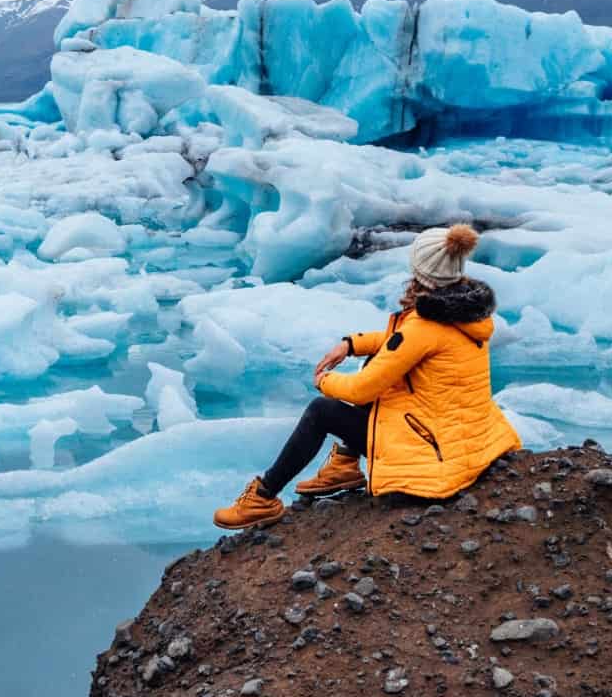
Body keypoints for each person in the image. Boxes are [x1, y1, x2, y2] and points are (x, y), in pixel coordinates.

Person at [214, 223, 521, 529]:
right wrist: (352, 344)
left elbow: (363, 389)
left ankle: (262, 498)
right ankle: (345, 465)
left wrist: (323, 379)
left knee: (322, 411)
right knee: (378, 359)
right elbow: (402, 343)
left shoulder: (424, 327)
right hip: (460, 436)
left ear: (421, 270)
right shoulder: (464, 312)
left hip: (433, 453)